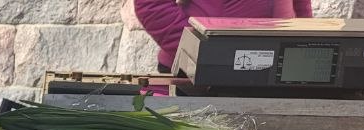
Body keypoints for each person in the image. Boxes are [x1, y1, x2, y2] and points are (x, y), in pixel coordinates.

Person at [134, 0, 314, 75]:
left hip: (273, 66)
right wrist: (201, 53)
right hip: (199, 73)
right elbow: (151, 5)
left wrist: (305, 46)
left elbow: (301, 6)